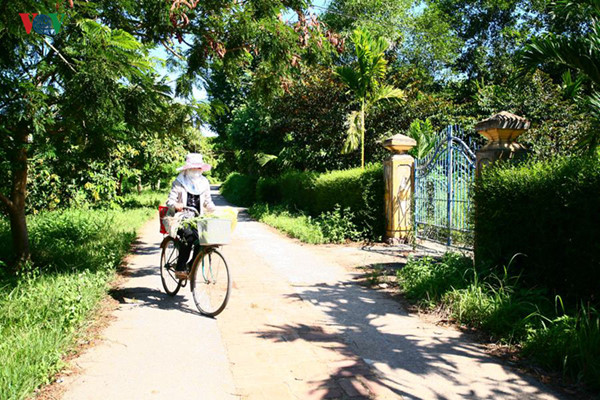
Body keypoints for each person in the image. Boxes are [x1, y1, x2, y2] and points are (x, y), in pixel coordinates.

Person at [166, 153, 216, 279]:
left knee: (204, 240)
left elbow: (207, 201)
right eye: (193, 168)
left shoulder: (204, 183)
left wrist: (213, 209)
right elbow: (169, 201)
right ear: (187, 169)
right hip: (181, 217)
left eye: (198, 168)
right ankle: (180, 267)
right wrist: (176, 205)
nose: (196, 171)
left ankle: (191, 265)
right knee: (188, 236)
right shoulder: (179, 182)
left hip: (198, 217)